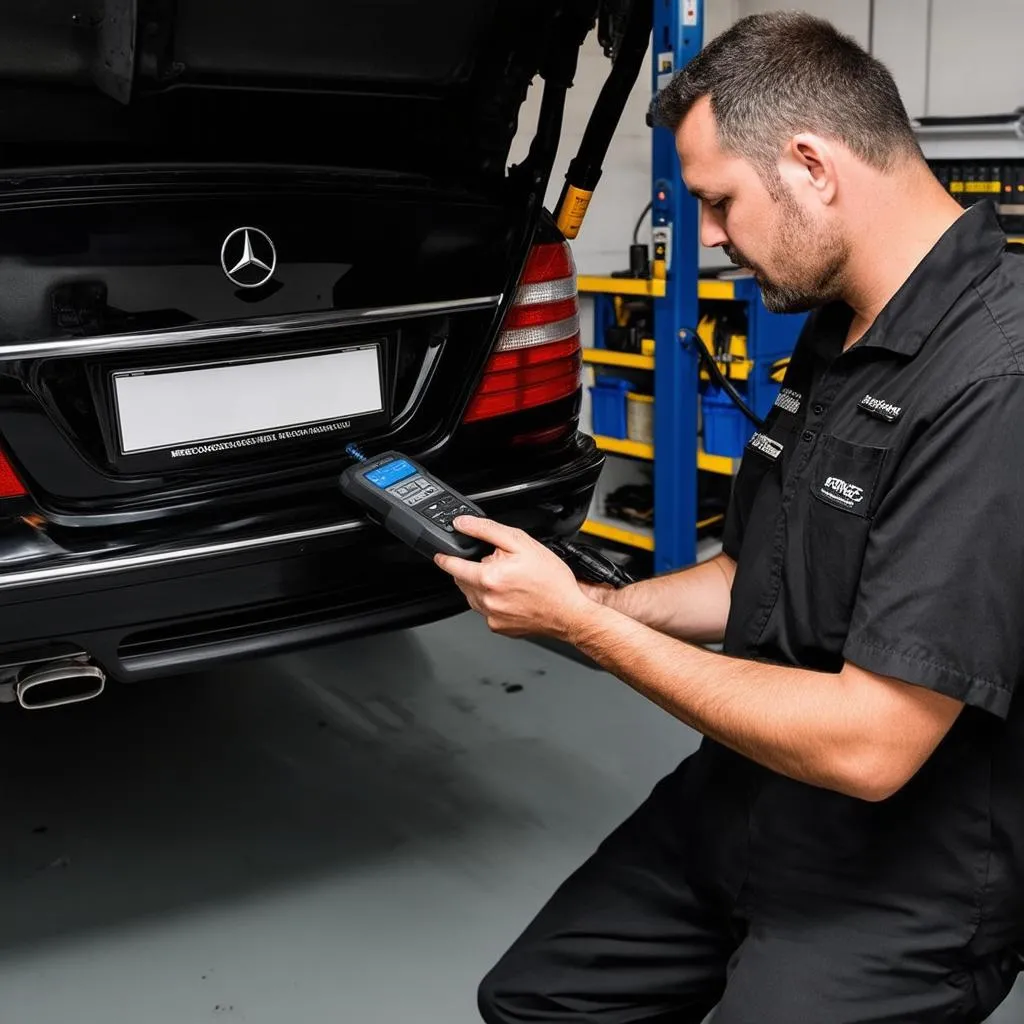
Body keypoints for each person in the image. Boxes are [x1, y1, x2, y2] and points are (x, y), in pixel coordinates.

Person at [434, 11, 1024, 1024]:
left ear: (810, 164)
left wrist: (588, 632)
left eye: (716, 201)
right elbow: (749, 570)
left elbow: (872, 745)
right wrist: (591, 595)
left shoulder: (994, 379)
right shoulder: (842, 319)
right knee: (535, 1001)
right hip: (748, 795)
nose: (706, 237)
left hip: (900, 874)